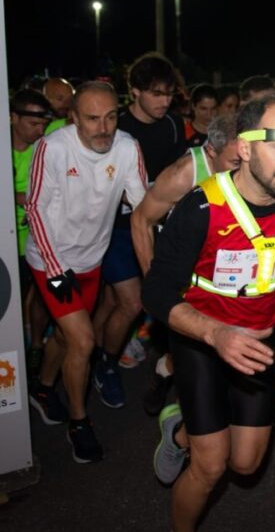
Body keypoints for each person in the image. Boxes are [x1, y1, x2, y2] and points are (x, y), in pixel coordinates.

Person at [143, 97, 275, 532]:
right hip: (201, 339)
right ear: (246, 148)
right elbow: (155, 292)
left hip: (259, 338)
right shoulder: (200, 208)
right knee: (211, 467)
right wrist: (215, 334)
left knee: (246, 464)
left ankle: (181, 430)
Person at [24, 81, 148, 463]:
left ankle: (44, 387)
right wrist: (56, 270)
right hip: (52, 261)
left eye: (111, 117)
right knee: (82, 341)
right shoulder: (54, 147)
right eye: (92, 118)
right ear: (73, 117)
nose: (103, 128)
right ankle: (79, 422)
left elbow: (143, 204)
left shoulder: (127, 147)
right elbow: (35, 209)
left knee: (66, 339)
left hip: (93, 259)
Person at [92, 53, 187, 410]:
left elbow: (180, 172)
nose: (164, 101)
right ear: (134, 92)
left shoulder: (175, 124)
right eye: (156, 93)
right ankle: (105, 365)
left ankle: (100, 354)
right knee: (129, 303)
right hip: (115, 228)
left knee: (118, 302)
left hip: (160, 224)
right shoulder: (115, 130)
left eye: (169, 94)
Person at [129, 114, 241, 415]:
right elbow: (140, 220)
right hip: (186, 269)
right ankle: (186, 425)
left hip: (226, 267)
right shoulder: (184, 174)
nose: (243, 170)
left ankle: (166, 371)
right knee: (199, 353)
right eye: (234, 163)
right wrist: (156, 287)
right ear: (212, 152)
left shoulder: (246, 164)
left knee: (213, 351)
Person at [10, 89, 54, 377]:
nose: (40, 131)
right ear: (13, 118)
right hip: (4, 240)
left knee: (39, 297)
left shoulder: (47, 147)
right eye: (32, 124)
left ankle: (36, 346)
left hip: (38, 241)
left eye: (43, 125)